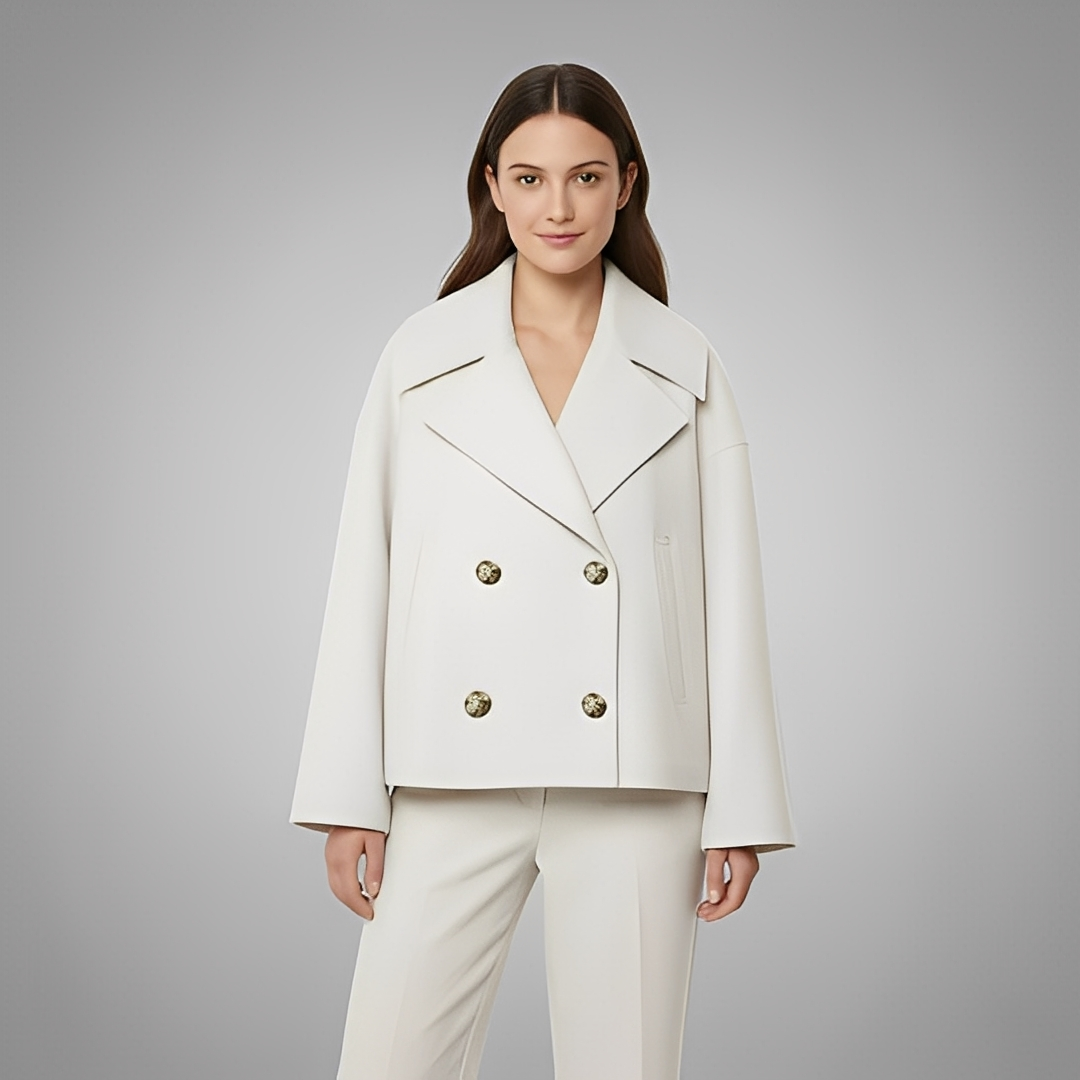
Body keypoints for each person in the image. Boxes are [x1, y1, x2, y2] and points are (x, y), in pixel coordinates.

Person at [290, 62, 796, 1080]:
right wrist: (350, 793)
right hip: (450, 769)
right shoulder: (421, 357)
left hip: (635, 778)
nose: (557, 208)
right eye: (528, 178)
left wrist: (740, 807)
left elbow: (730, 597)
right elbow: (364, 574)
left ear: (627, 183)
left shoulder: (684, 364)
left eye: (585, 177)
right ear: (491, 185)